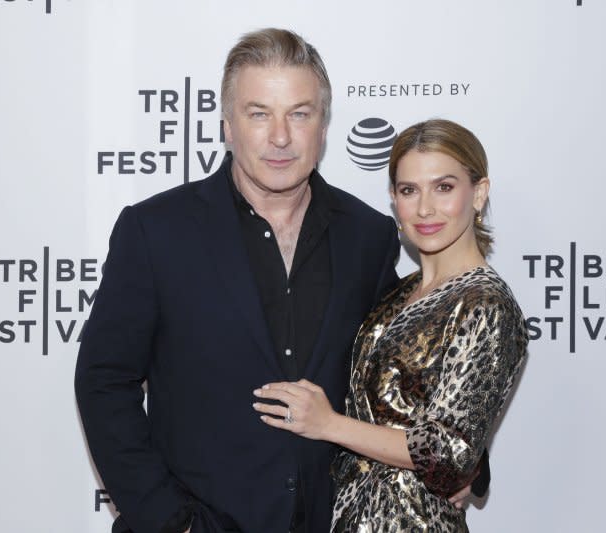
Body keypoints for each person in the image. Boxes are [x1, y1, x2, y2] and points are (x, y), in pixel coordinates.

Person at [75, 29, 484, 533]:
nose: (281, 137)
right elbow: (103, 382)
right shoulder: (156, 231)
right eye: (259, 113)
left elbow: (403, 373)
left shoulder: (367, 235)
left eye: (299, 113)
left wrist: (464, 461)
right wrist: (169, 522)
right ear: (228, 125)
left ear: (324, 126)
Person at [253, 119, 528, 532]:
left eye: (444, 187)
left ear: (479, 193)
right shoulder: (396, 294)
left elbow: (449, 454)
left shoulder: (485, 305)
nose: (424, 208)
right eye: (408, 190)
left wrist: (329, 424)